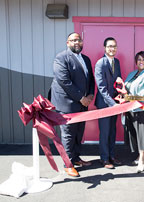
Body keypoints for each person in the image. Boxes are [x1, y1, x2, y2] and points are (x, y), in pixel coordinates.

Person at [51, 32, 95, 177]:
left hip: (82, 103)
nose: (77, 42)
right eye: (73, 40)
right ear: (67, 42)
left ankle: (76, 158)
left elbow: (90, 79)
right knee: (68, 134)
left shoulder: (86, 59)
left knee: (79, 132)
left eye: (79, 40)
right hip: (67, 103)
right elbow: (64, 81)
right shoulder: (61, 58)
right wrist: (80, 97)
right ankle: (68, 163)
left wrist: (90, 94)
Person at [95, 37, 122, 169]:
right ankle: (104, 158)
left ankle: (112, 155)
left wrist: (121, 98)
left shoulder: (116, 62)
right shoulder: (100, 63)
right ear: (105, 48)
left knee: (112, 131)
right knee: (105, 132)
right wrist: (113, 104)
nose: (112, 49)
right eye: (110, 46)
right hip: (104, 104)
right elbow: (101, 88)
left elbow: (118, 83)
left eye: (114, 46)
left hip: (115, 104)